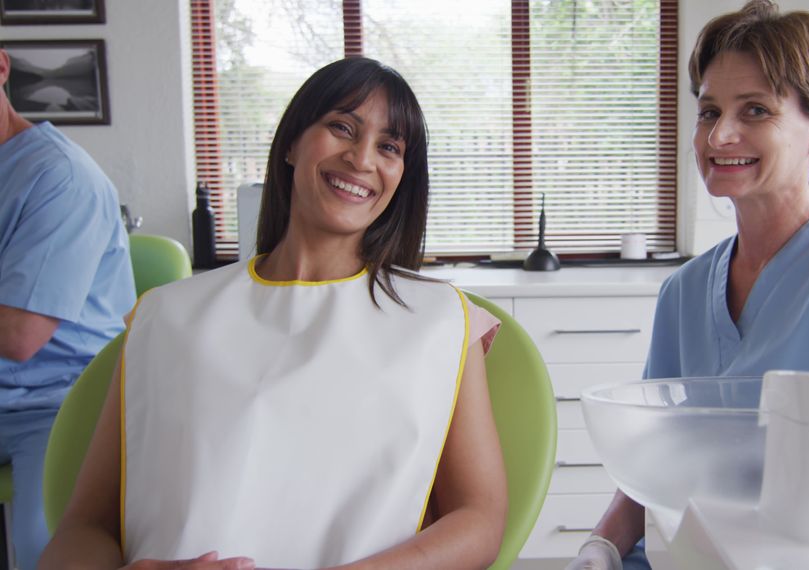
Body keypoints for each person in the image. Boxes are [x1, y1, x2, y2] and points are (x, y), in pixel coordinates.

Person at [40, 57, 508, 569]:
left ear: (402, 177)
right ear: (291, 144)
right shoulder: (165, 317)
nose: (361, 158)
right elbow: (81, 531)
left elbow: (479, 521)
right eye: (341, 127)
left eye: (389, 147)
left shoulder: (441, 320)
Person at [567, 2, 809, 569]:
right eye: (709, 111)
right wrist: (599, 547)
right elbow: (654, 465)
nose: (720, 135)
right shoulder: (685, 292)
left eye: (755, 110)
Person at [0, 48, 136, 570]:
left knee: (45, 551)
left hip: (58, 401)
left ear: (3, 67)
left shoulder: (58, 176)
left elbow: (19, 334)